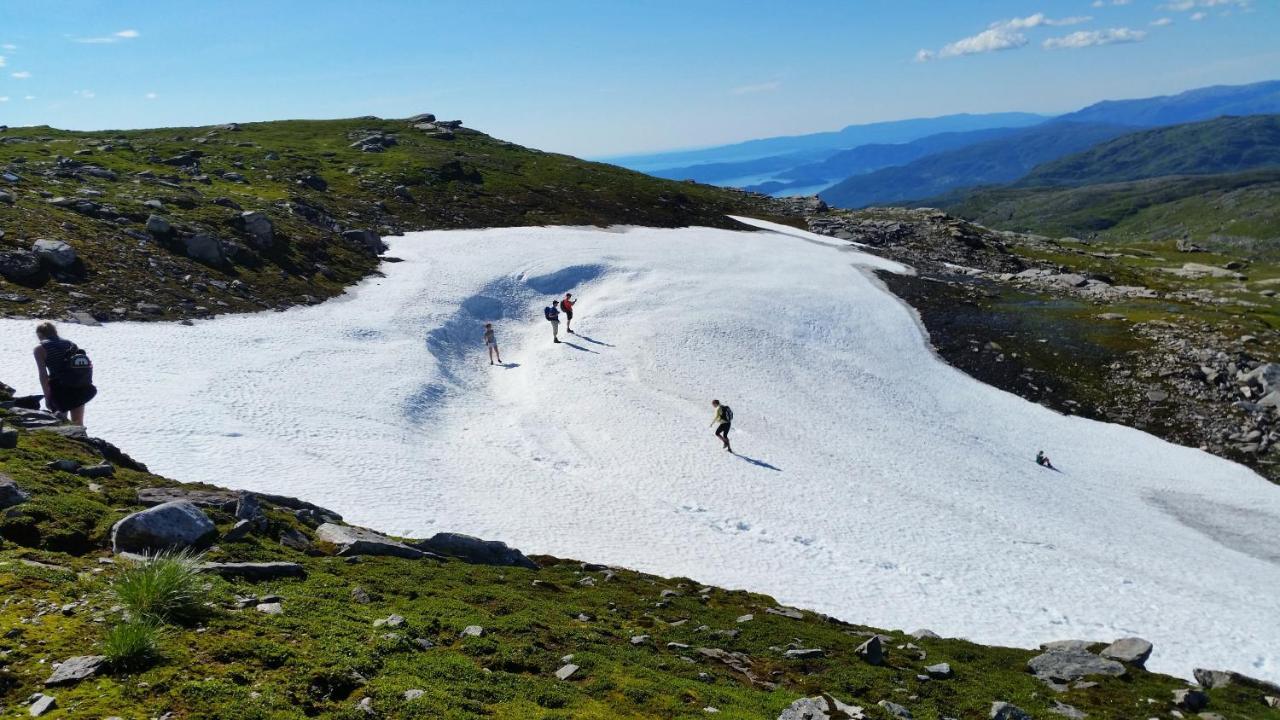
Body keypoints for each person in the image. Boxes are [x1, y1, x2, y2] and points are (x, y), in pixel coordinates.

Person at [33, 322, 96, 427]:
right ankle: (82, 442)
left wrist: (48, 397)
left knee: (60, 423)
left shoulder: (40, 349)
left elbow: (43, 375)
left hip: (59, 388)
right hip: (79, 387)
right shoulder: (71, 345)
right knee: (78, 423)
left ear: (39, 334)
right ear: (55, 332)